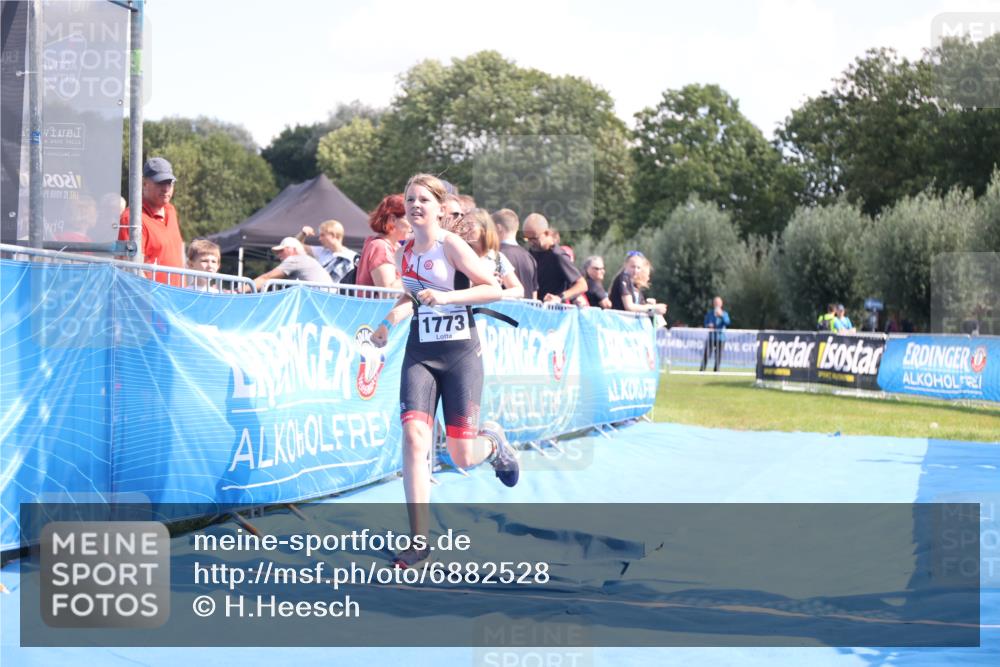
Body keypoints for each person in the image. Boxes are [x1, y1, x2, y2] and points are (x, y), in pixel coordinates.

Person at [371, 173, 518, 569]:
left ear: (439, 207)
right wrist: (389, 323)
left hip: (460, 356)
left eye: (424, 199)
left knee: (461, 455)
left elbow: (492, 287)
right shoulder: (404, 251)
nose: (416, 205)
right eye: (410, 199)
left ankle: (493, 444)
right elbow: (411, 297)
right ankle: (419, 541)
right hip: (421, 353)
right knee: (414, 437)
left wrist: (449, 296)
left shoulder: (450, 245)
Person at [118, 157, 184, 285]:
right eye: (160, 183)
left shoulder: (171, 210)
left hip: (175, 298)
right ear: (144, 184)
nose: (165, 188)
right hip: (149, 300)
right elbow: (131, 267)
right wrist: (151, 298)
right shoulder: (131, 218)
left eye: (169, 183)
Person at [453, 209, 524, 298]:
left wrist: (495, 291)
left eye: (470, 225)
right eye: (463, 226)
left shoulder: (497, 258)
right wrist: (485, 285)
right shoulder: (458, 254)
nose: (465, 229)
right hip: (464, 310)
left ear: (484, 228)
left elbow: (519, 290)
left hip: (487, 310)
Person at [522, 213, 586, 304]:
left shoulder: (558, 256)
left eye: (534, 238)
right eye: (527, 239)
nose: (530, 243)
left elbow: (582, 285)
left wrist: (559, 297)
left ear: (547, 233)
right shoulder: (530, 253)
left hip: (553, 312)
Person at [356, 194, 411, 293]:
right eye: (409, 218)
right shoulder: (380, 247)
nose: (413, 223)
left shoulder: (394, 246)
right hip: (379, 308)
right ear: (392, 219)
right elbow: (388, 293)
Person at [253, 237, 334, 290]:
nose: (279, 254)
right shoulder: (307, 259)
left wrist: (241, 290)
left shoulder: (295, 259)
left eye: (282, 250)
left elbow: (266, 278)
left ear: (293, 249)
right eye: (277, 252)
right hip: (326, 300)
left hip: (319, 301)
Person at [492, 208, 537, 299]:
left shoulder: (496, 256)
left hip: (503, 312)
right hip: (528, 312)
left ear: (498, 228)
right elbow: (534, 294)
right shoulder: (529, 256)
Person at [609, 252, 667, 318]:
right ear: (625, 265)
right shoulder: (623, 278)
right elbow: (629, 307)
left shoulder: (633, 285)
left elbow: (641, 307)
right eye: (632, 267)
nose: (635, 270)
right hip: (619, 323)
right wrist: (653, 308)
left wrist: (651, 307)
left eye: (638, 268)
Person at [700, 296, 730, 372]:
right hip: (711, 337)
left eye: (718, 303)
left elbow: (727, 322)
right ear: (713, 304)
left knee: (719, 355)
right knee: (706, 354)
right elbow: (705, 323)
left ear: (721, 304)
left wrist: (721, 316)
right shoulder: (709, 314)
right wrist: (708, 326)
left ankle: (716, 370)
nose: (717, 304)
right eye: (715, 302)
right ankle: (702, 370)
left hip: (721, 338)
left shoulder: (725, 314)